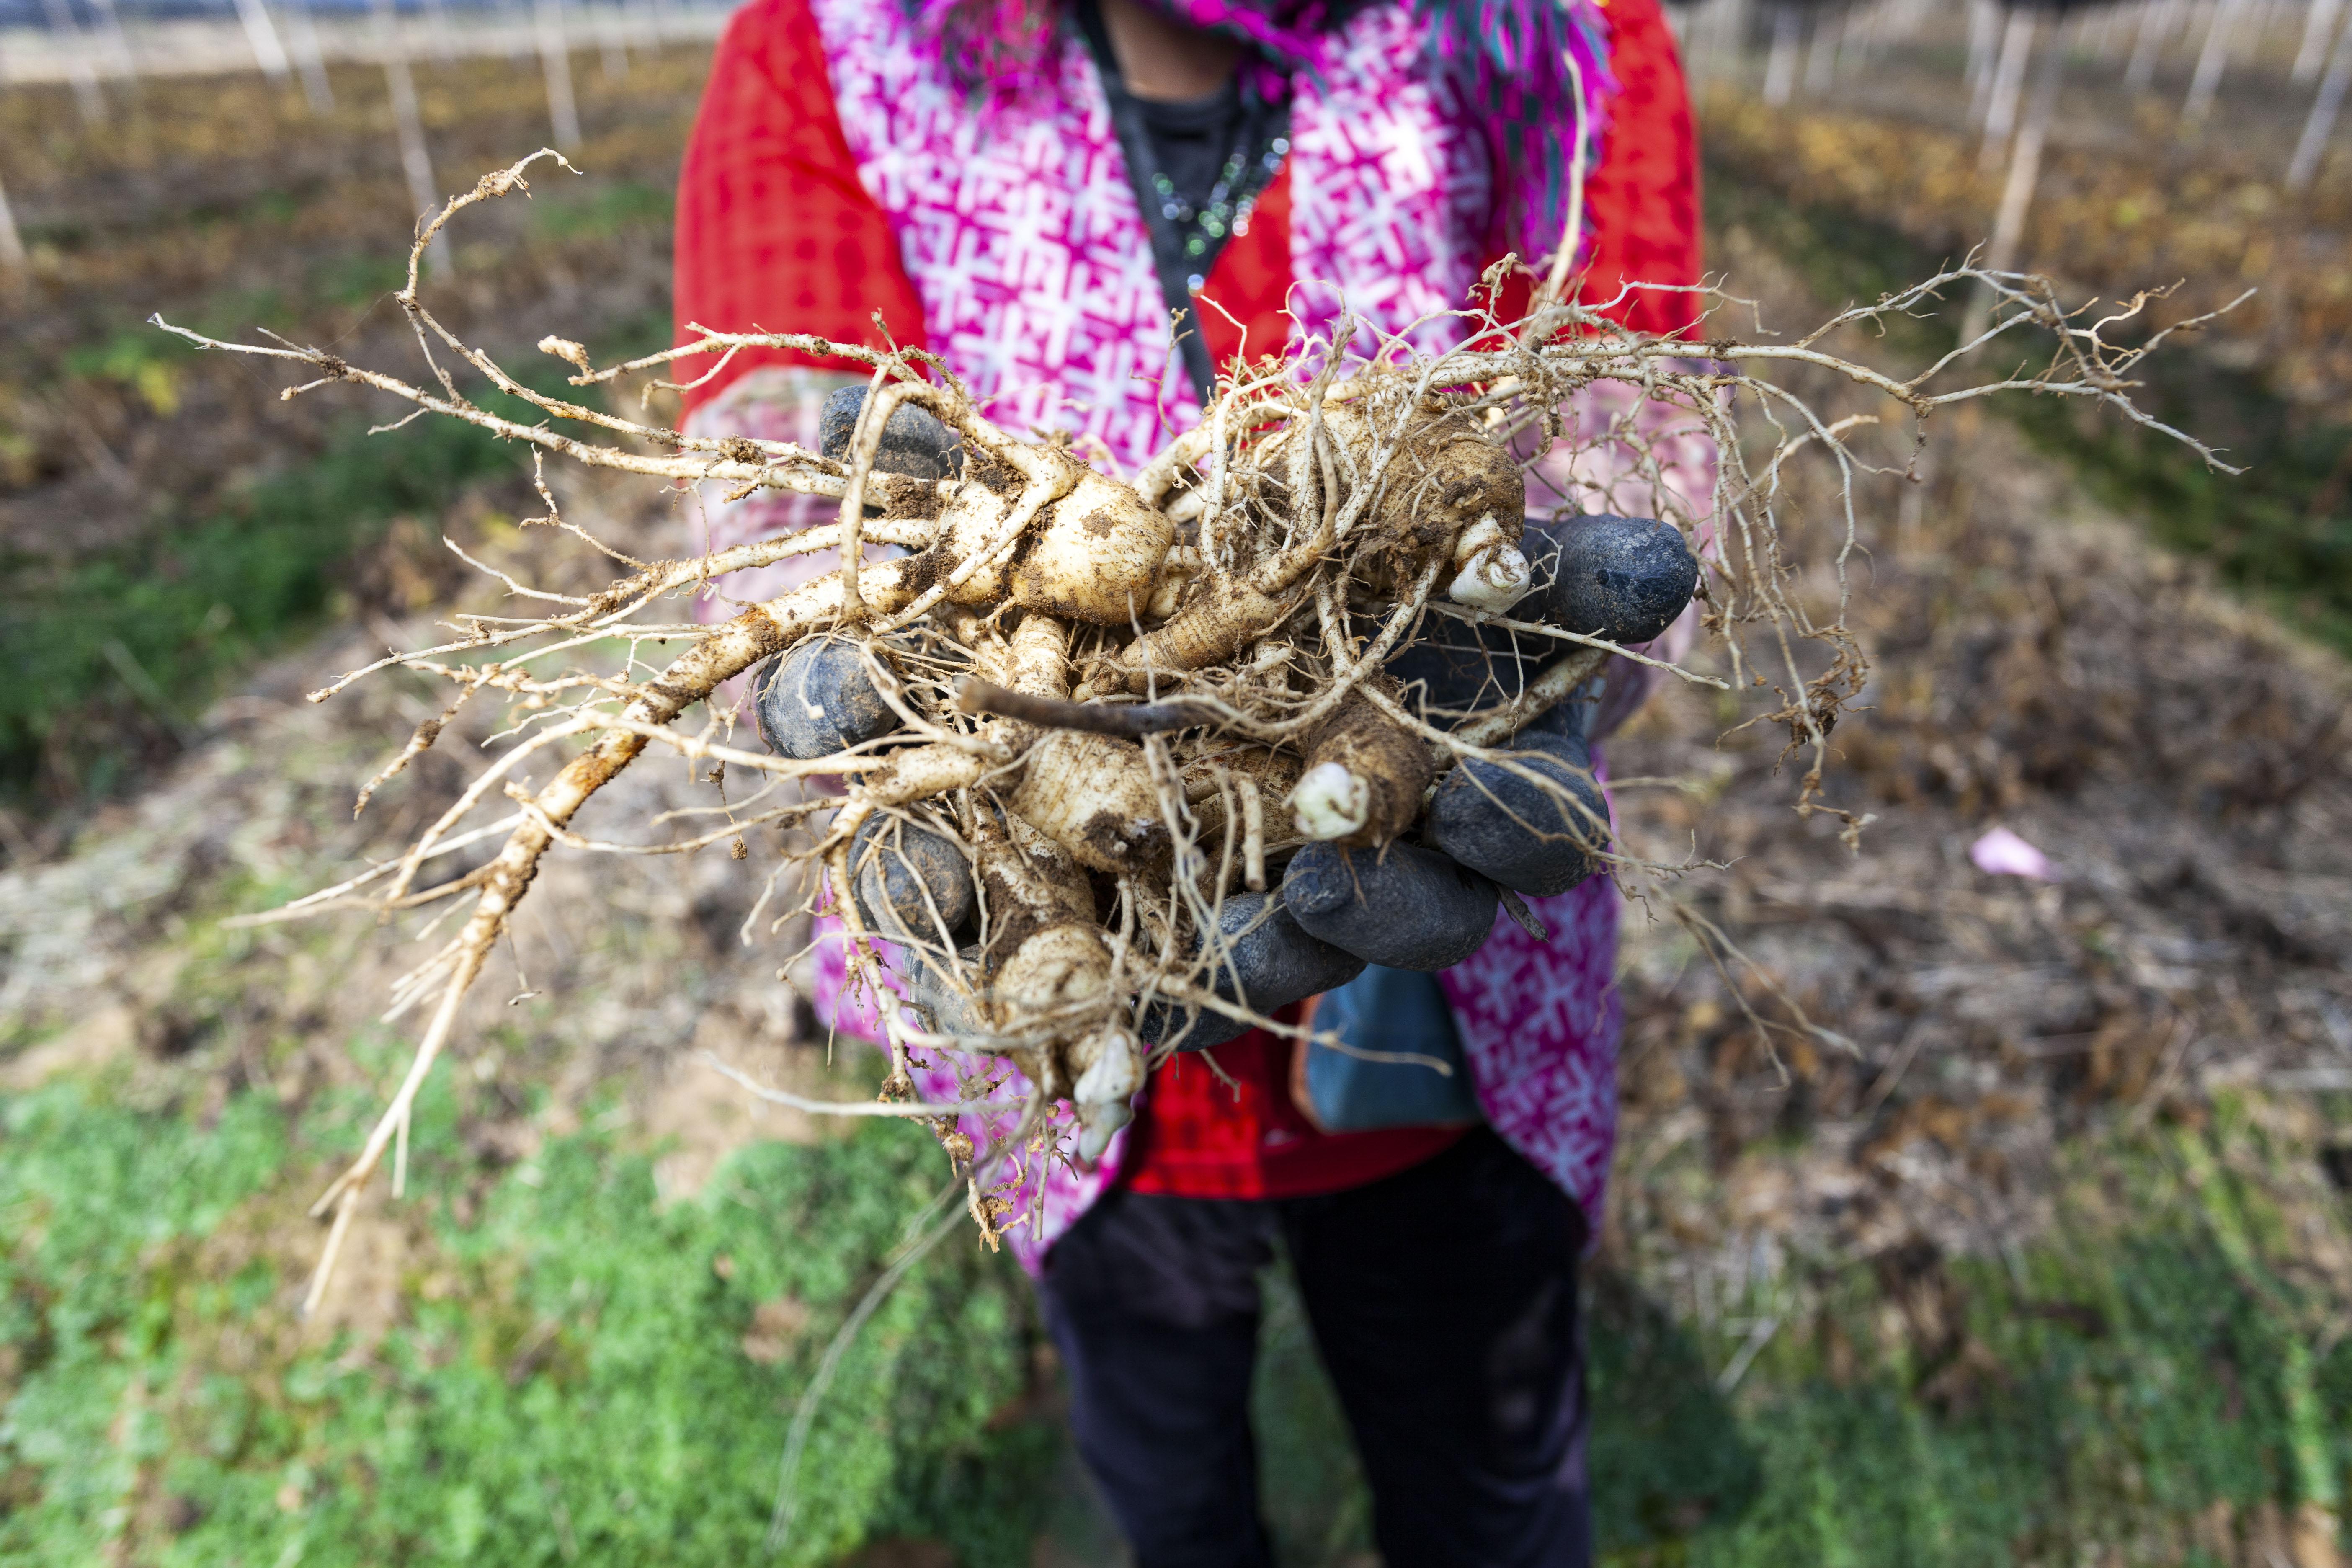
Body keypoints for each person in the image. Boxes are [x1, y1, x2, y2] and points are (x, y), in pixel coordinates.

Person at [671, 2, 1709, 1562]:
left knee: (1491, 1500)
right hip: (1066, 997)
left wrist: (1536, 660)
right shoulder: (837, 43)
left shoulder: (1557, 36)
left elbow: (1634, 444)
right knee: (1170, 1497)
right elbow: (770, 476)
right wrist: (843, 651)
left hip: (1450, 1001)